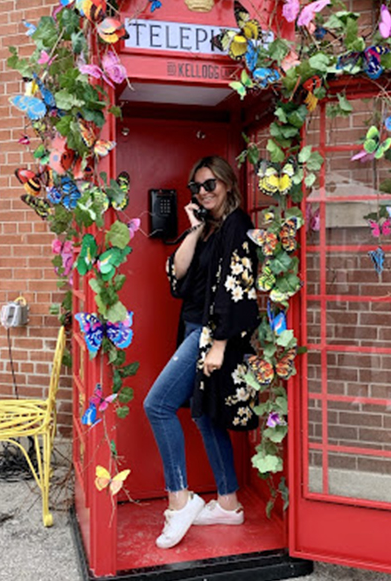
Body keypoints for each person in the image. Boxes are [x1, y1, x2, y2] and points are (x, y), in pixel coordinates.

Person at [144, 155, 260, 549]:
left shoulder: (237, 226)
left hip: (211, 335)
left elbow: (240, 287)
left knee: (156, 405)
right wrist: (194, 229)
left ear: (227, 184)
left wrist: (222, 344)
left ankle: (180, 499)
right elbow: (176, 278)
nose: (203, 193)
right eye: (196, 187)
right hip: (195, 330)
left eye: (210, 184)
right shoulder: (208, 230)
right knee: (205, 417)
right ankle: (228, 504)